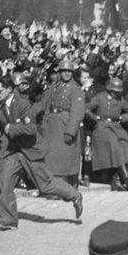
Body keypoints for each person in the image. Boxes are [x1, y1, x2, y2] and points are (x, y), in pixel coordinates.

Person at [0, 76, 83, 230]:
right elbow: (2, 126)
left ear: (9, 90)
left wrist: (10, 129)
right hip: (14, 151)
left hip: (31, 151)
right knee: (5, 183)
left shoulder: (22, 104)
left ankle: (75, 195)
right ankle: (8, 219)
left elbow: (31, 129)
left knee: (45, 186)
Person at [85, 78, 128, 192]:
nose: (116, 93)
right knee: (114, 144)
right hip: (101, 128)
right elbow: (85, 108)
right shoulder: (100, 97)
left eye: (118, 91)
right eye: (114, 91)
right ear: (109, 89)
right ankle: (127, 179)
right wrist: (94, 117)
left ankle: (116, 180)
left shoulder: (120, 100)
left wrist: (123, 118)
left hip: (116, 127)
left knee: (124, 144)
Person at [42, 59, 85, 187]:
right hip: (53, 125)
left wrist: (70, 131)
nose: (66, 74)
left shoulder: (76, 89)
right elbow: (46, 107)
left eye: (69, 71)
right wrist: (44, 125)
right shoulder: (54, 88)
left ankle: (65, 186)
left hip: (65, 124)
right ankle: (55, 185)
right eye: (63, 71)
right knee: (52, 157)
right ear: (59, 73)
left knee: (65, 156)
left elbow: (77, 112)